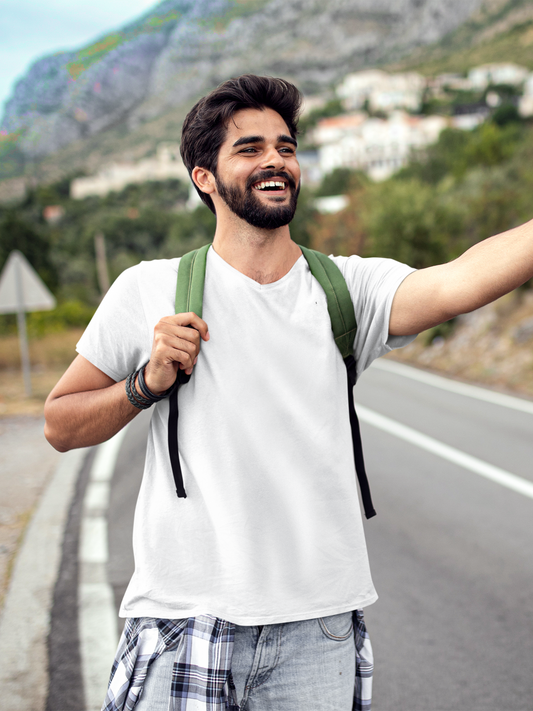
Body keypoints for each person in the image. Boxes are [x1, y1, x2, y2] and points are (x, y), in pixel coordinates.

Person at [44, 74, 533, 711]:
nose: (274, 159)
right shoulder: (149, 289)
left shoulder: (348, 289)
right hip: (183, 623)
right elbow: (59, 424)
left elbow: (460, 281)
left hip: (319, 631)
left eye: (285, 146)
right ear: (205, 178)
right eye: (248, 149)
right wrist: (143, 385)